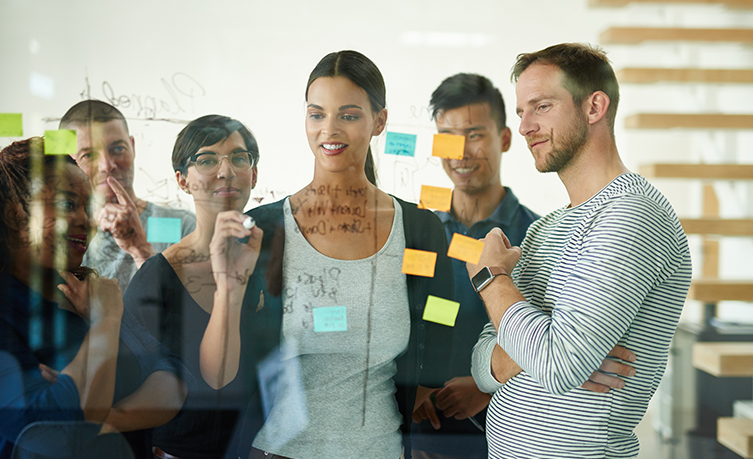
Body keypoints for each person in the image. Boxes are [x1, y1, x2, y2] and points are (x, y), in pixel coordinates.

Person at [200, 50, 454, 459]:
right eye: (316, 114)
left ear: (380, 121)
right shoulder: (262, 230)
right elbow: (217, 376)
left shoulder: (419, 229)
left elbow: (442, 311)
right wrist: (227, 291)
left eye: (349, 115)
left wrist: (427, 383)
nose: (328, 130)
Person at [469, 43, 692, 458]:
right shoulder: (544, 230)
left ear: (594, 107)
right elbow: (483, 368)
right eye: (521, 112)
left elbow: (557, 366)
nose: (524, 127)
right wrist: (537, 351)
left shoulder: (632, 215)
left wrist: (491, 279)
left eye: (542, 106)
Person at [0, 137, 192, 459]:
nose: (85, 221)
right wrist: (106, 324)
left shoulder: (91, 289)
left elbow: (176, 380)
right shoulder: (11, 312)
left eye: (87, 208)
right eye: (66, 204)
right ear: (14, 214)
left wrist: (103, 415)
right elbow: (51, 435)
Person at [410, 73, 539, 459]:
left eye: (475, 134)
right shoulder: (416, 229)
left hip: (507, 434)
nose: (460, 152)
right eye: (448, 136)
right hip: (420, 432)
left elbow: (554, 345)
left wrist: (487, 386)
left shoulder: (536, 234)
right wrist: (411, 387)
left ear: (504, 138)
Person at [124, 115, 260, 459]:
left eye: (239, 158)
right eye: (207, 159)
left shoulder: (271, 258)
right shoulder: (155, 280)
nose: (225, 171)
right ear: (182, 180)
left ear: (254, 174)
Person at [59, 101, 196, 292]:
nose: (107, 166)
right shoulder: (64, 236)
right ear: (69, 162)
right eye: (89, 155)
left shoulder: (181, 226)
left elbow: (193, 313)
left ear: (132, 147)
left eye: (117, 149)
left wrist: (140, 248)